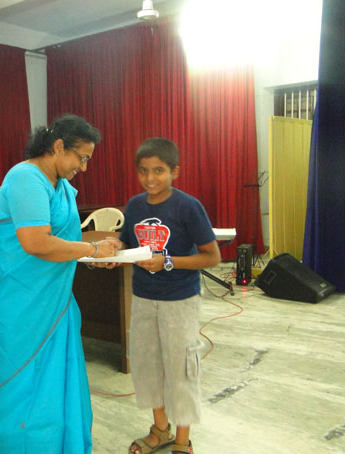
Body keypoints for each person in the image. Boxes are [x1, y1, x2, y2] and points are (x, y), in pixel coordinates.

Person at [0, 114, 121, 454]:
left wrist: (97, 251)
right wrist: (91, 249)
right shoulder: (26, 178)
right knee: (16, 388)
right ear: (58, 147)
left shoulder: (60, 186)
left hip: (52, 301)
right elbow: (36, 243)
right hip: (17, 303)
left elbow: (65, 240)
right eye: (81, 157)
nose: (83, 167)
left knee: (53, 386)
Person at [118, 138, 221, 454]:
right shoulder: (135, 205)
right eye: (143, 171)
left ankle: (182, 440)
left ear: (174, 171)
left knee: (180, 368)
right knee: (149, 366)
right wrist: (112, 252)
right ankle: (160, 429)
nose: (150, 178)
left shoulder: (188, 206)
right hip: (143, 298)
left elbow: (212, 256)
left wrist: (169, 262)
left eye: (159, 170)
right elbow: (127, 244)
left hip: (179, 300)